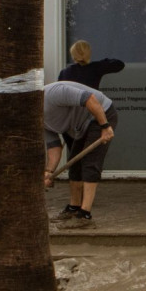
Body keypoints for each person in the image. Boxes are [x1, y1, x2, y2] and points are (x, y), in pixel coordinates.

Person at [43, 81, 118, 229]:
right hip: (81, 126)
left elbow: (89, 98)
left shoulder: (52, 94)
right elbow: (54, 147)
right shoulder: (36, 120)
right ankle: (74, 208)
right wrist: (49, 172)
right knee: (74, 164)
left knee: (90, 164)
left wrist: (105, 126)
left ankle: (85, 215)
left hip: (101, 113)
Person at [59, 40, 125, 89]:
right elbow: (119, 64)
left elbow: (58, 93)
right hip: (90, 105)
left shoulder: (64, 73)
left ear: (73, 55)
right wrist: (104, 61)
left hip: (70, 106)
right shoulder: (95, 68)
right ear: (88, 53)